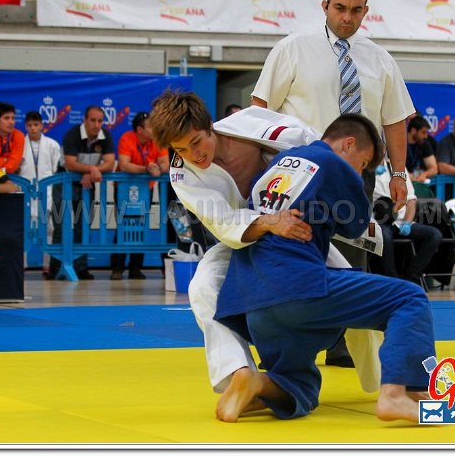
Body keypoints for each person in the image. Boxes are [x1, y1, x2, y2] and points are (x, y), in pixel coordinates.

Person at [149, 91, 384, 404]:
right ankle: (240, 375)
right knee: (202, 287)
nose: (193, 154)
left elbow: (318, 148)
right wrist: (269, 222)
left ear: (210, 126)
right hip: (242, 238)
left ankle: (380, 378)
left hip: (297, 230)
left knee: (352, 284)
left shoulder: (252, 123)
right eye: (180, 149)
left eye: (196, 142)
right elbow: (222, 221)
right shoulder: (182, 173)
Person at [214, 114, 435, 423]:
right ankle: (399, 393)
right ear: (348, 144)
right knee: (409, 298)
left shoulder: (279, 162)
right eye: (363, 163)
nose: (359, 171)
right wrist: (357, 187)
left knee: (300, 386)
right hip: (294, 286)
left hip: (252, 302)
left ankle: (255, 383)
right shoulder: (331, 162)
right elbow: (356, 225)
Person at [251, 0, 414, 366]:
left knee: (355, 251)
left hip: (357, 171)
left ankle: (343, 344)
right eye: (340, 8)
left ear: (366, 12)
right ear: (325, 6)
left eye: (356, 11)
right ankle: (282, 346)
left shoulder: (380, 59)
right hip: (300, 170)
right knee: (293, 251)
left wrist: (399, 174)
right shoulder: (292, 48)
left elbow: (394, 120)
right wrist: (260, 163)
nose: (347, 17)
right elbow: (260, 108)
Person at [48, 106, 116, 281]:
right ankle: (55, 268)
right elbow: (70, 163)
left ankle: (81, 268)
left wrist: (90, 172)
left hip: (87, 183)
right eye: (92, 120)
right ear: (84, 120)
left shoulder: (106, 137)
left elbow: (109, 164)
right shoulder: (72, 135)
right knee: (61, 224)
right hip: (64, 181)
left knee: (83, 225)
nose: (96, 124)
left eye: (100, 121)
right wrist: (92, 169)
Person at [110, 111, 169, 280]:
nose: (154, 129)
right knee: (124, 224)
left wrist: (158, 168)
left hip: (145, 190)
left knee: (141, 225)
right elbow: (124, 164)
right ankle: (117, 267)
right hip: (123, 189)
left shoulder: (157, 140)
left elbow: (165, 163)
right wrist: (146, 169)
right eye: (150, 126)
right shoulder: (127, 138)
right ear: (139, 129)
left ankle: (135, 267)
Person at [372, 157, 442, 286]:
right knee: (384, 236)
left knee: (434, 235)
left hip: (400, 222)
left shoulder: (399, 169)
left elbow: (411, 200)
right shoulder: (365, 169)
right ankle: (393, 280)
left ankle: (412, 275)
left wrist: (408, 222)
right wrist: (370, 175)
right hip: (377, 221)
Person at [18, 111, 62, 277]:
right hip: (26, 192)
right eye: (30, 125)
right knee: (23, 230)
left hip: (47, 193)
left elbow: (57, 169)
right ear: (25, 126)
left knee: (49, 229)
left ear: (42, 125)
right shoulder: (19, 145)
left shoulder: (52, 145)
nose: (33, 128)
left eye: (36, 125)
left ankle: (47, 266)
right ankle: (21, 264)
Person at [405, 115, 438, 182]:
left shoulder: (424, 143)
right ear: (413, 131)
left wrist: (424, 174)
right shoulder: (400, 143)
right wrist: (407, 175)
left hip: (419, 181)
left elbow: (434, 169)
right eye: (423, 132)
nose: (426, 136)